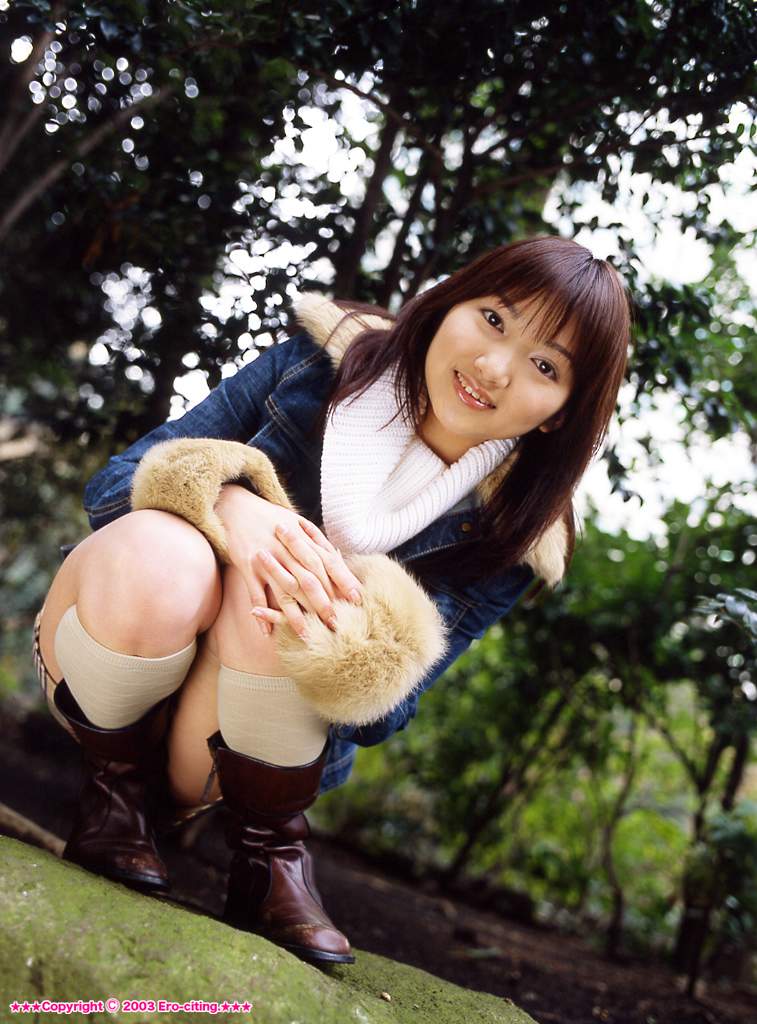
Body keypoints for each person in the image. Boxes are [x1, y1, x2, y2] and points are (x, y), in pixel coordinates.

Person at [32, 235, 631, 966]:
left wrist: (343, 610)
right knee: (166, 550)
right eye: (494, 319)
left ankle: (267, 857)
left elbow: (382, 719)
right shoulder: (314, 367)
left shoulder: (514, 535)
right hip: (107, 655)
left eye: (544, 366)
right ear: (450, 301)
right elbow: (110, 488)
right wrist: (233, 504)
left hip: (234, 745)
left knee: (298, 605)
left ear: (560, 413)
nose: (493, 367)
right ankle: (113, 798)